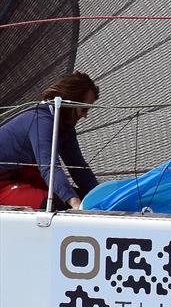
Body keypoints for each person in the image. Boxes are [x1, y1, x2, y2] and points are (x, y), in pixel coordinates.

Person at [0, 71, 100, 210]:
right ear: (70, 101)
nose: (85, 116)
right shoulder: (41, 119)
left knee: (87, 200)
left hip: (26, 176)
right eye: (83, 109)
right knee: (55, 206)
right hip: (4, 182)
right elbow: (49, 166)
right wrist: (76, 205)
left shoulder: (65, 126)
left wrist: (101, 197)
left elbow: (79, 168)